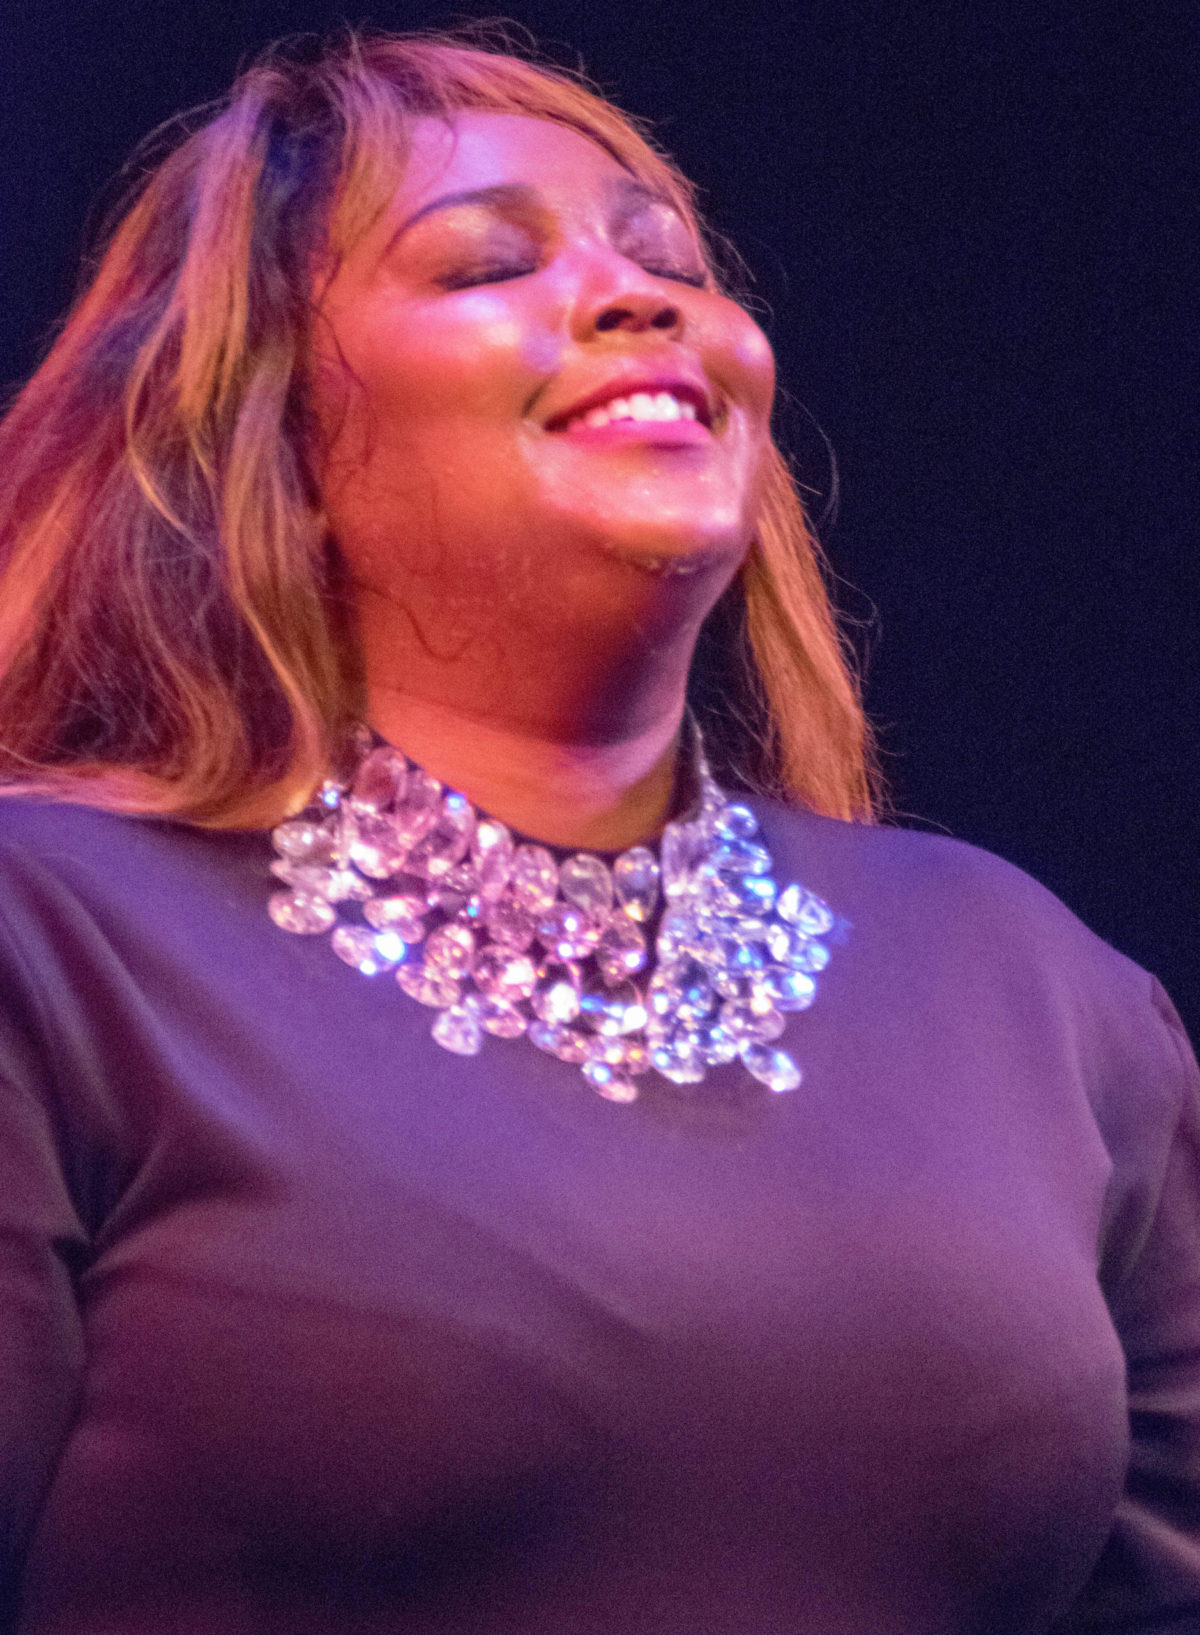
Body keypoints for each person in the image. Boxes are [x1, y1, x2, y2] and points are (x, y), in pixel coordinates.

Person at [0, 28, 1195, 1635]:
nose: (640, 299)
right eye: (486, 264)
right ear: (271, 444)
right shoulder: (54, 943)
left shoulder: (1027, 987)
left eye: (670, 264)